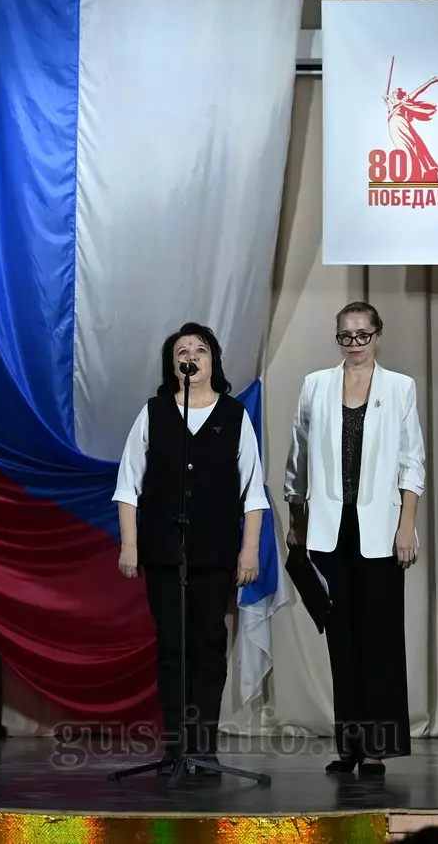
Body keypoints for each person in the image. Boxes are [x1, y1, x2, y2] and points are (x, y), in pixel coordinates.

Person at [113, 322, 267, 773]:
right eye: (183, 351)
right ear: (172, 363)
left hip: (216, 553)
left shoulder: (234, 415)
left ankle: (203, 748)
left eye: (201, 349)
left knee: (207, 646)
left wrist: (250, 550)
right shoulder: (154, 412)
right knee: (172, 648)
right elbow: (128, 485)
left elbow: (253, 492)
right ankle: (176, 748)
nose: (192, 357)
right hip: (164, 551)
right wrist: (129, 544)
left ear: (213, 360)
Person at [283, 301, 425, 777]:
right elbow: (298, 458)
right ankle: (349, 746)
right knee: (341, 639)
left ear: (378, 336)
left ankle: (375, 749)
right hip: (328, 530)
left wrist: (407, 526)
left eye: (364, 335)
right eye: (347, 336)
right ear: (338, 338)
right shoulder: (316, 385)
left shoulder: (399, 387)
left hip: (381, 532)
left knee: (379, 639)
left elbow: (412, 462)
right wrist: (296, 518)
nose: (355, 344)